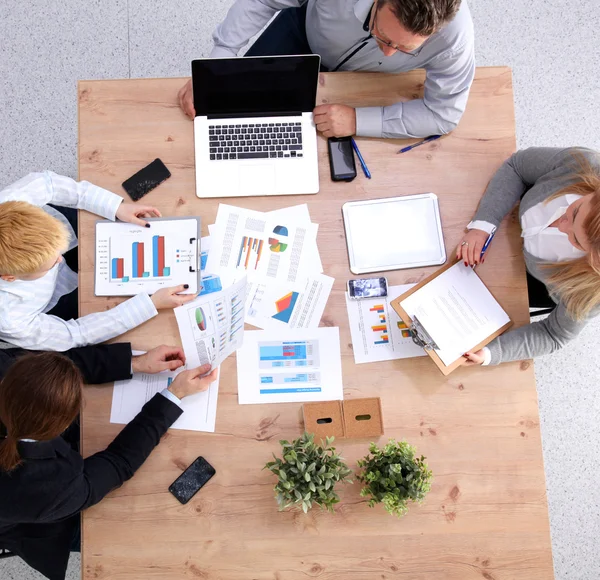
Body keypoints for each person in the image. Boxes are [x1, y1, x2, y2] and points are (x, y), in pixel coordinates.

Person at [0, 342, 218, 580]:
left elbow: (55, 366)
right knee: (130, 531)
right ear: (63, 425)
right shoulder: (49, 484)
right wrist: (174, 395)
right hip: (38, 523)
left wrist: (133, 363)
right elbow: (118, 462)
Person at [178, 0, 475, 140]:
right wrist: (217, 62)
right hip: (302, 34)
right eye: (382, 35)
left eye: (405, 49)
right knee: (228, 111)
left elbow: (444, 113)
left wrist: (359, 120)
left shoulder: (455, 37)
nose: (387, 52)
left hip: (367, 84)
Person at [0, 171, 196, 351]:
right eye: (51, 262)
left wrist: (115, 206)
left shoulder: (9, 203)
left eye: (57, 252)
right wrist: (150, 305)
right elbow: (75, 334)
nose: (60, 259)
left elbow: (48, 183)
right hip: (51, 301)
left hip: (62, 227)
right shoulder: (9, 318)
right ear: (9, 277)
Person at [457, 147, 600, 366]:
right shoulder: (582, 164)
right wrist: (483, 224)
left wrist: (492, 353)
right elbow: (517, 167)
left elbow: (554, 335)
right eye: (575, 211)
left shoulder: (591, 292)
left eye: (577, 240)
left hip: (533, 281)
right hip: (505, 227)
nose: (561, 224)